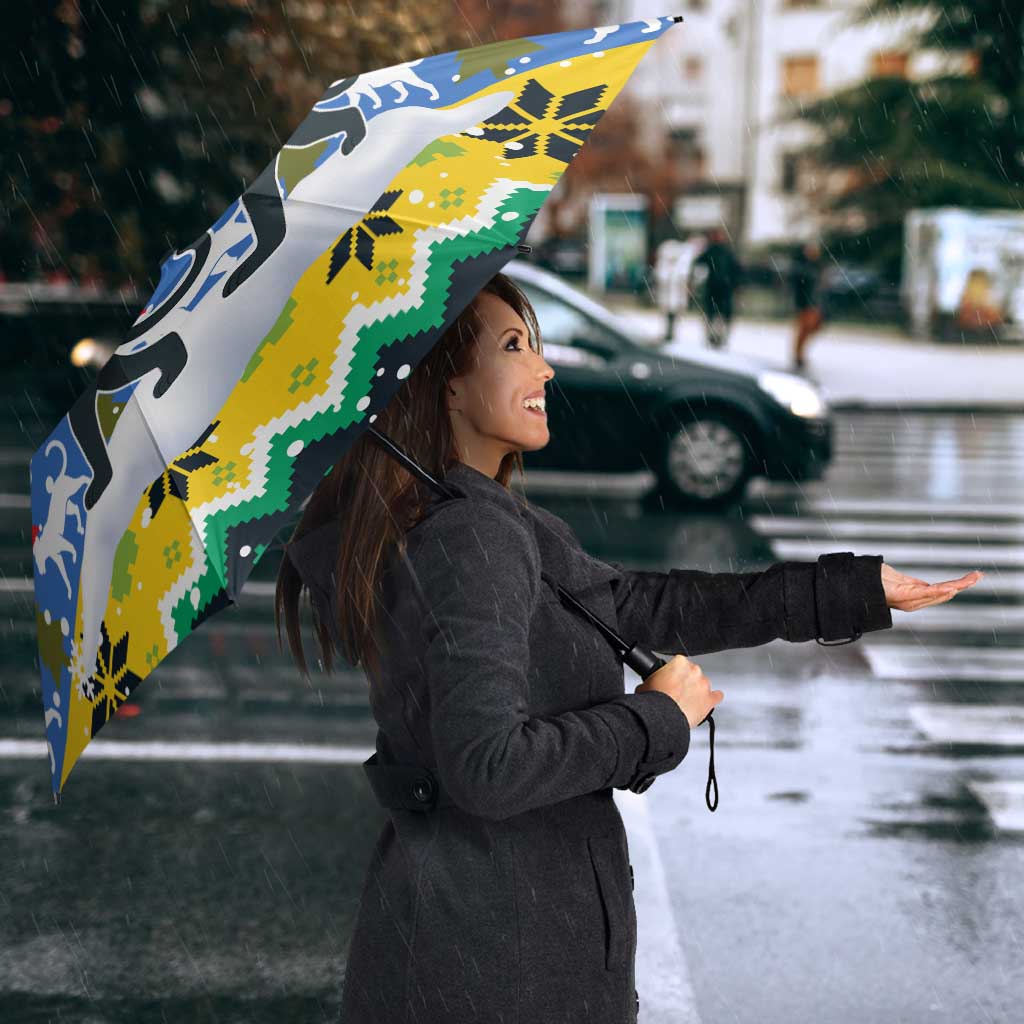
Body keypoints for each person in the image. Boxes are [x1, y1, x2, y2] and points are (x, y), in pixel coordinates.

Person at [275, 272, 980, 1024]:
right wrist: (655, 719)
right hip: (499, 963)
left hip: (481, 941)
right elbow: (487, 768)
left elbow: (641, 605)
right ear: (446, 386)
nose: (544, 368)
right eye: (515, 346)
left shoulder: (477, 518)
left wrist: (850, 590)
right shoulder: (470, 537)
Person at [692, 226, 742, 349]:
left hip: (723, 288)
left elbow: (736, 270)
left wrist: (735, 284)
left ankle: (719, 337)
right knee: (713, 314)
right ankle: (713, 337)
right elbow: (698, 264)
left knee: (720, 315)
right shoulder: (712, 251)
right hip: (715, 288)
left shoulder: (725, 252)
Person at [790, 239, 826, 370]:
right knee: (804, 329)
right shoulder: (802, 267)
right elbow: (799, 286)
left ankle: (799, 354)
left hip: (814, 303)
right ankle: (798, 355)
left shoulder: (817, 266)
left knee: (812, 328)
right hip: (805, 303)